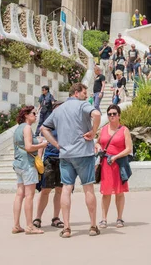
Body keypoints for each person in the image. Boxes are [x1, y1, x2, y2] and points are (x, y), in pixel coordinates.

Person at [40, 82, 102, 238]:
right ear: (76, 92)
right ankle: (93, 226)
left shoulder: (59, 110)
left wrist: (56, 144)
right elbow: (97, 114)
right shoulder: (82, 105)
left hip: (66, 154)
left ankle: (66, 228)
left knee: (66, 189)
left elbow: (43, 128)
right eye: (84, 93)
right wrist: (93, 132)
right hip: (83, 153)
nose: (86, 96)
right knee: (88, 188)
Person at [12, 106, 48, 235]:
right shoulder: (27, 128)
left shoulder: (18, 128)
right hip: (27, 165)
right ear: (26, 115)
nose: (36, 115)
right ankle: (29, 226)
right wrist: (42, 145)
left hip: (18, 164)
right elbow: (28, 147)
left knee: (19, 194)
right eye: (33, 113)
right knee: (29, 196)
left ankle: (16, 225)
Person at [96, 105, 133, 228]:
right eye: (110, 114)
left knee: (119, 192)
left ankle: (119, 218)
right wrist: (98, 147)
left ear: (119, 115)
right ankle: (104, 219)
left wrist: (116, 156)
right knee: (106, 193)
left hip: (119, 164)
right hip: (106, 163)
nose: (112, 116)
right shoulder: (103, 129)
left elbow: (129, 149)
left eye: (114, 113)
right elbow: (97, 142)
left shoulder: (124, 130)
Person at [34, 101, 65, 230]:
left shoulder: (67, 124)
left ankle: (56, 218)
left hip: (63, 160)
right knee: (45, 190)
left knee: (59, 190)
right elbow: (42, 143)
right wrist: (39, 160)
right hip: (49, 159)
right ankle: (38, 218)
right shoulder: (48, 124)